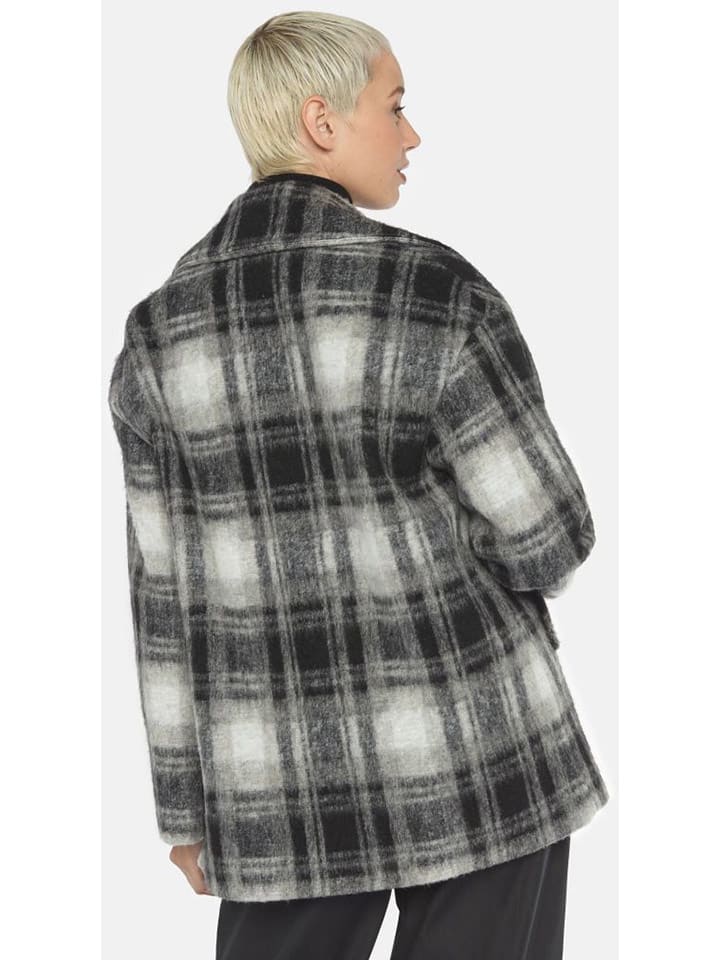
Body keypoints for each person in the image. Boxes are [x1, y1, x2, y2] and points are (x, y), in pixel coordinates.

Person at [107, 10, 610, 959]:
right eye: (396, 105)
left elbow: (161, 601)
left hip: (271, 788)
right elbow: (549, 537)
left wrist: (184, 807)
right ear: (321, 121)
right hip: (479, 757)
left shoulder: (157, 335)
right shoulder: (435, 291)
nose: (412, 134)